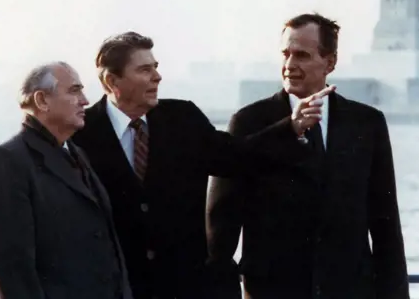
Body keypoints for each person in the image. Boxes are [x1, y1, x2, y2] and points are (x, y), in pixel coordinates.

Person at [72, 31, 330, 299]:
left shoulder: (182, 119)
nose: (157, 77)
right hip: (114, 287)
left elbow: (237, 156)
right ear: (112, 80)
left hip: (183, 287)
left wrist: (291, 127)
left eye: (156, 68)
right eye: (144, 70)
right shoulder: (80, 133)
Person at [206, 13, 410, 299]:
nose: (289, 65)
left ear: (330, 62)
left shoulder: (367, 123)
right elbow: (220, 227)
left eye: (301, 55)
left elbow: (386, 223)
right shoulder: (250, 122)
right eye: (285, 54)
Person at [0, 62, 133, 299]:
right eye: (74, 90)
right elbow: (10, 269)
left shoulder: (77, 155)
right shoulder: (6, 161)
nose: (85, 100)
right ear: (42, 101)